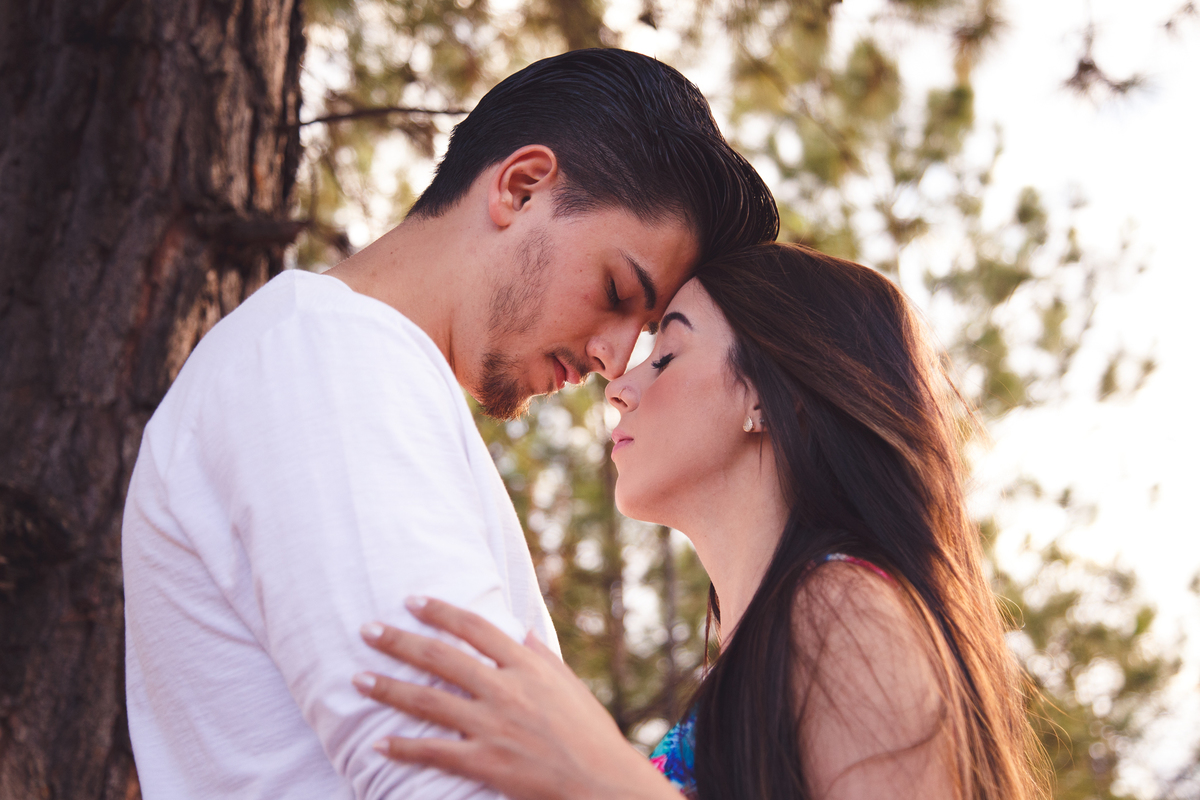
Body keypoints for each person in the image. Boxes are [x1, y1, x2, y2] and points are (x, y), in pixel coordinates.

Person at [121, 48, 778, 799]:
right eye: (616, 289)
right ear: (522, 187)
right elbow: (448, 780)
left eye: (649, 327)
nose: (611, 358)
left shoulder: (352, 368)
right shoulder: (329, 359)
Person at [350, 243, 1047, 800]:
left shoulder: (845, 607)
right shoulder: (759, 654)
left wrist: (603, 780)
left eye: (666, 357)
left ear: (773, 398)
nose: (619, 386)